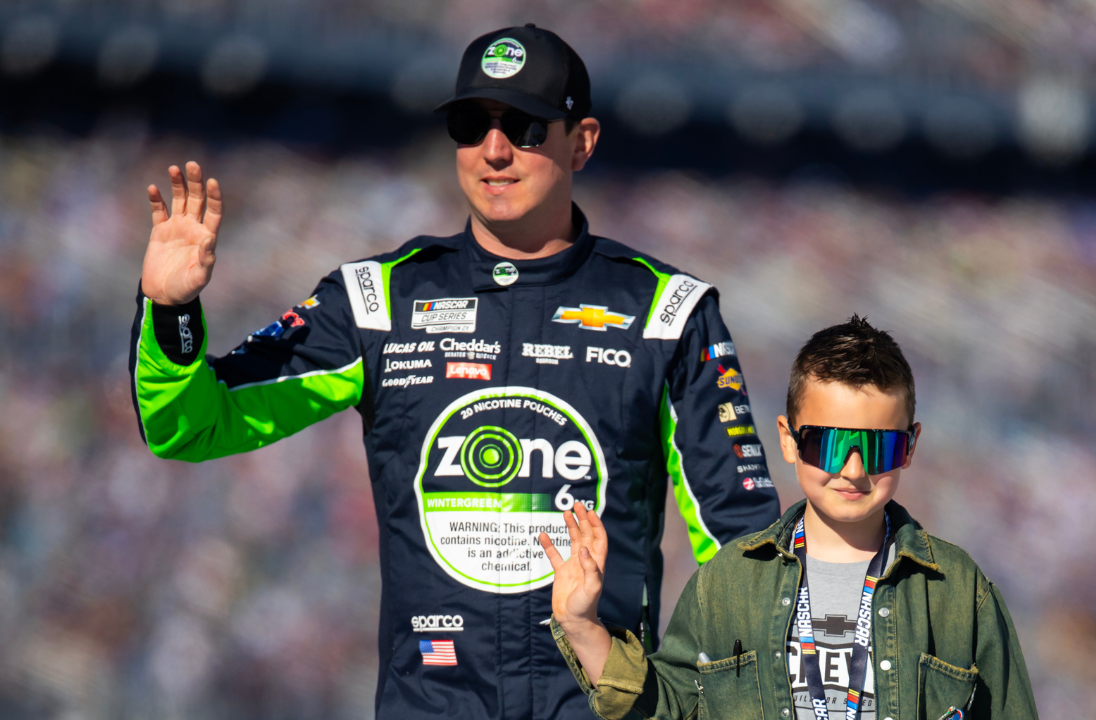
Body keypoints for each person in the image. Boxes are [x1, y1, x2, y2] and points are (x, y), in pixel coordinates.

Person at [128, 24, 780, 720]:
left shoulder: (665, 312)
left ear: (581, 142)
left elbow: (741, 549)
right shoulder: (379, 300)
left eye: (525, 127)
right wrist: (172, 312)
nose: (494, 151)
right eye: (471, 126)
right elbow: (191, 426)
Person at [542, 316, 1040, 720]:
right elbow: (664, 709)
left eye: (878, 446)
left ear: (909, 447)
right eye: (828, 444)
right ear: (787, 439)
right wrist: (580, 624)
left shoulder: (958, 589)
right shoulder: (727, 582)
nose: (854, 469)